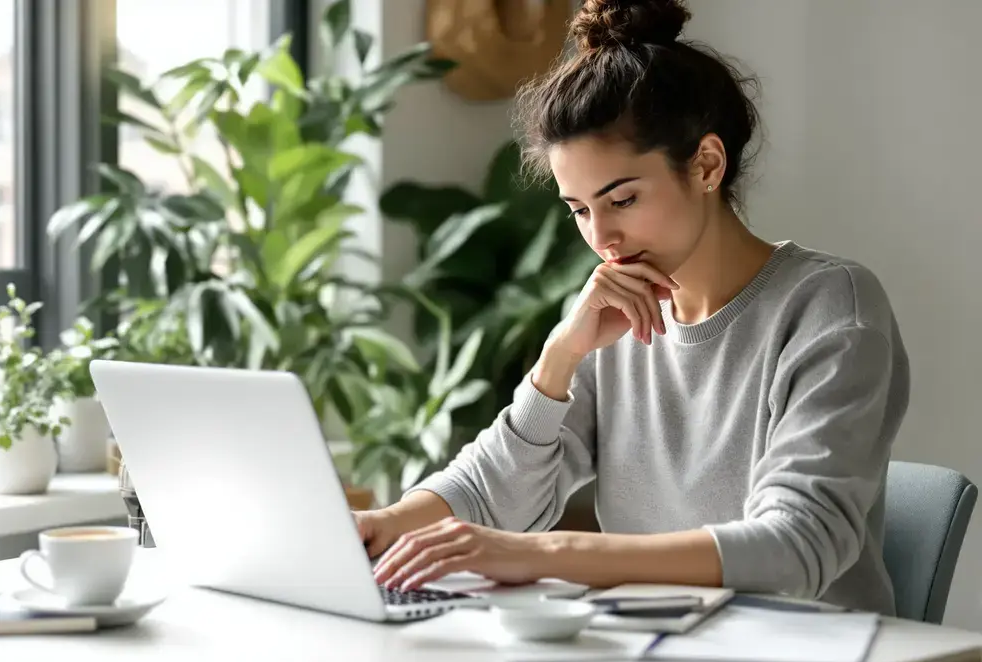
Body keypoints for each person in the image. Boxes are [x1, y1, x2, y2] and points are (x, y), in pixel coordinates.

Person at [361, 0, 909, 615]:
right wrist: (557, 362)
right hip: (653, 650)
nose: (601, 239)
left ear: (706, 164)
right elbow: (498, 497)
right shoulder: (616, 315)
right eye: (579, 209)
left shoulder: (831, 307)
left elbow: (796, 549)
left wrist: (548, 555)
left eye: (621, 199)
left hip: (805, 655)